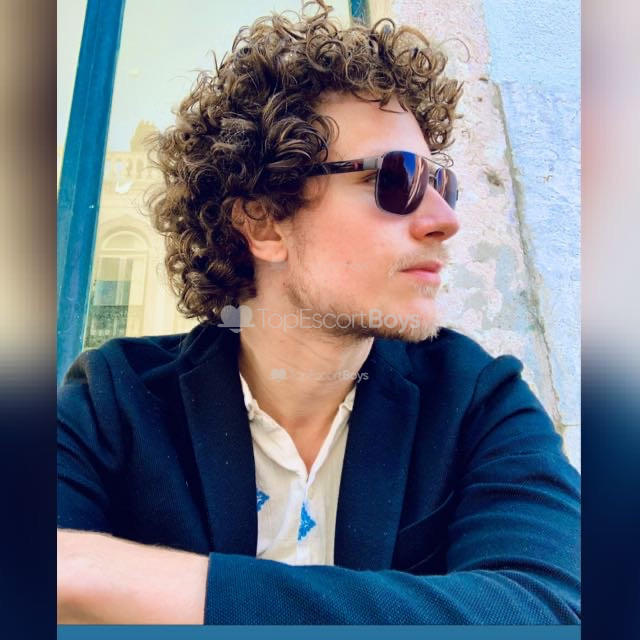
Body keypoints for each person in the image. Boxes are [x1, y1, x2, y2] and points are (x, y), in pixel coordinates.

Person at [57, 0, 580, 625]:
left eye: (443, 184)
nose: (445, 220)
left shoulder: (475, 399)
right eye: (397, 180)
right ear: (263, 222)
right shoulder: (115, 400)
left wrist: (103, 574)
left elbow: (551, 609)